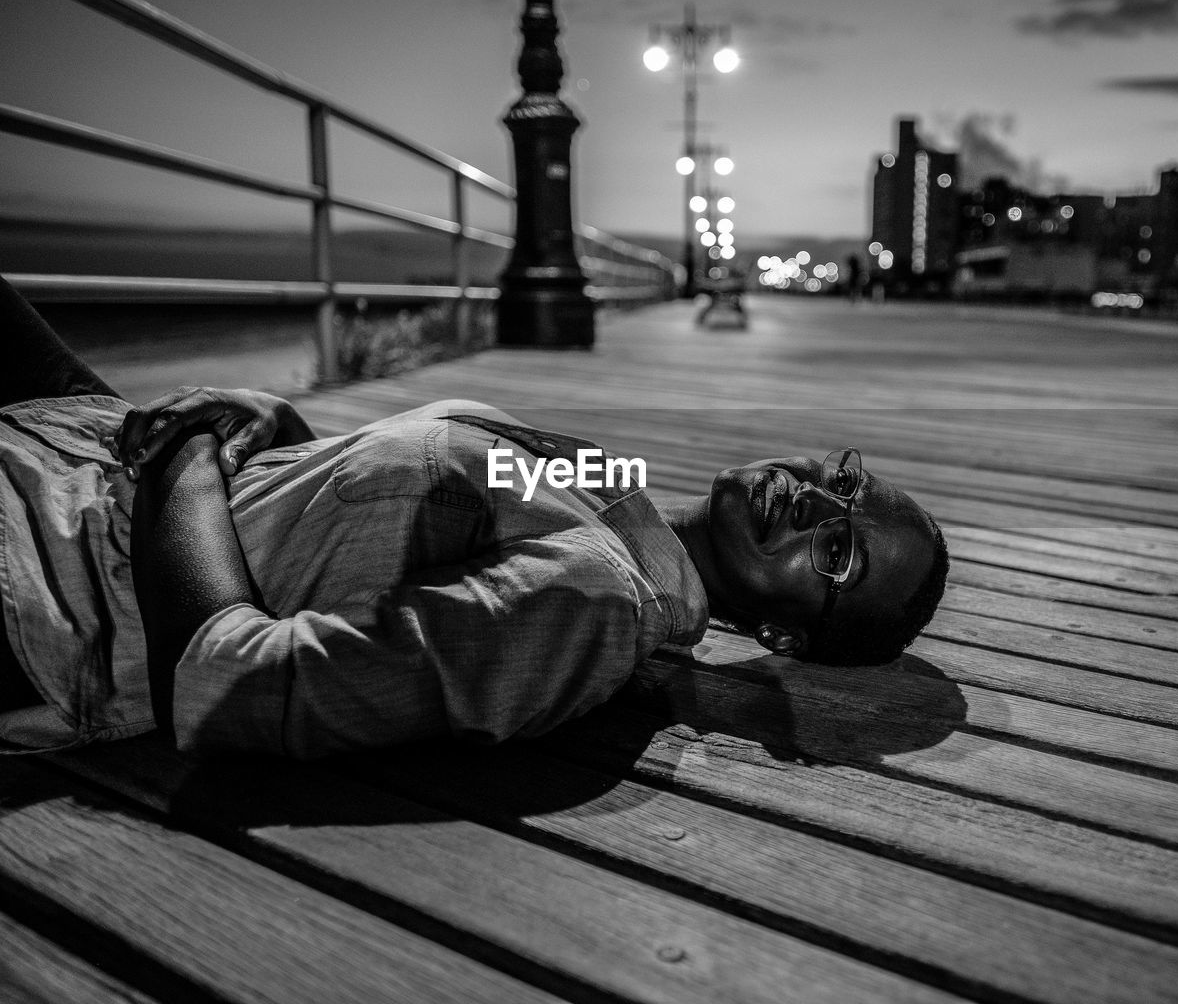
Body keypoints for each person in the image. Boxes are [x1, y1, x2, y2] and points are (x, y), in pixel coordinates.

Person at [0, 276, 949, 759]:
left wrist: (187, 455)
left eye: (837, 549)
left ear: (780, 631)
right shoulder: (619, 481)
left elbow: (226, 683)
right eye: (848, 481)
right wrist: (270, 421)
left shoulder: (597, 602)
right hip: (95, 459)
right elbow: (369, 483)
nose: (818, 498)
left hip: (61, 575)